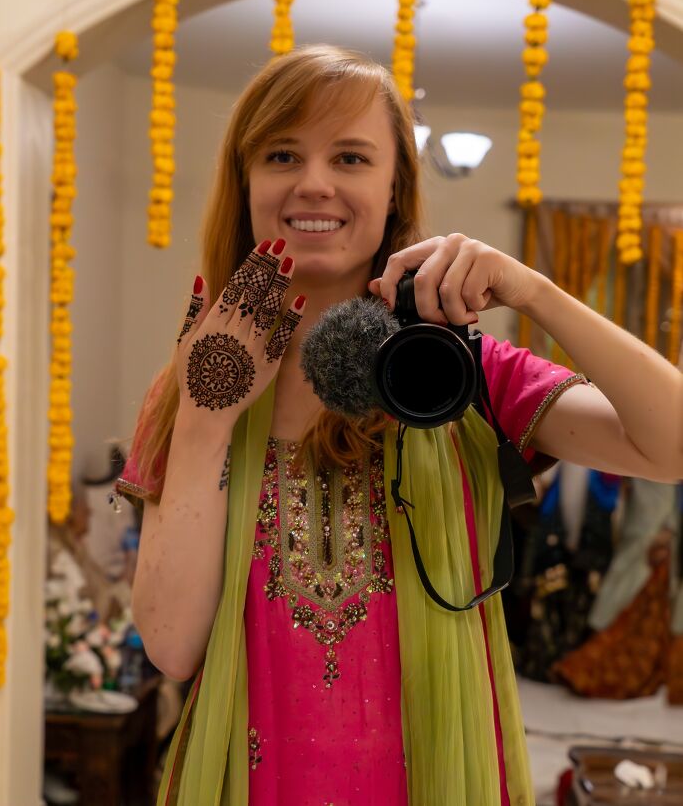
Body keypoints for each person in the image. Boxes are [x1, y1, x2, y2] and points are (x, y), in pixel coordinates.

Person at [114, 44, 683, 806]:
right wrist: (209, 419)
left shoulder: (470, 378)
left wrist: (536, 291)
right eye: (283, 153)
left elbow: (669, 444)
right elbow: (173, 647)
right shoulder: (187, 392)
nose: (314, 182)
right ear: (246, 182)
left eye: (350, 157)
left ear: (392, 191)